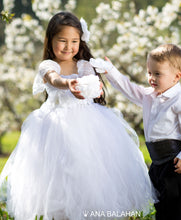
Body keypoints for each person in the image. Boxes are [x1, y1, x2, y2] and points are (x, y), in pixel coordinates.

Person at [0, 12, 156, 220]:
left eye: (74, 41)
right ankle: (61, 210)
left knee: (91, 166)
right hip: (56, 124)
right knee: (60, 168)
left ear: (81, 41)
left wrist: (95, 89)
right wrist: (68, 84)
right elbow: (54, 80)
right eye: (62, 41)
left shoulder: (84, 65)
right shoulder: (48, 66)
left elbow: (92, 84)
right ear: (51, 40)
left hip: (89, 122)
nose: (68, 46)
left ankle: (91, 208)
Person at [90, 43, 181, 220]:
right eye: (149, 72)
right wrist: (110, 71)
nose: (152, 78)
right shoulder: (149, 96)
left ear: (176, 77)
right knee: (161, 205)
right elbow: (128, 88)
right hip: (157, 163)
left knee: (178, 207)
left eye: (158, 74)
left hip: (176, 161)